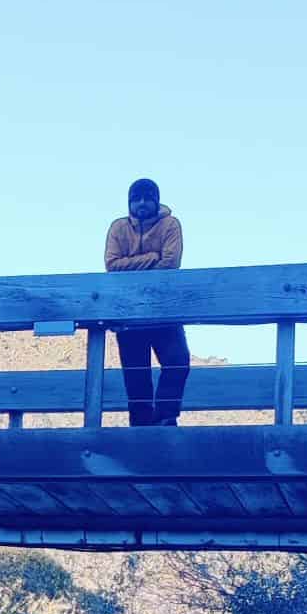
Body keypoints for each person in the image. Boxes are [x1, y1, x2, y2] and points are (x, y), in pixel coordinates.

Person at [103, 179, 189, 428]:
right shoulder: (118, 228)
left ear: (156, 200)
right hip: (129, 312)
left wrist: (133, 265)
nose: (141, 203)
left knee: (177, 360)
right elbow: (112, 264)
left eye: (147, 198)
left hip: (164, 308)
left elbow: (171, 263)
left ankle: (166, 415)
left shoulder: (170, 224)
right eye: (136, 199)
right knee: (135, 372)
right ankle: (140, 425)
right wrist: (152, 257)